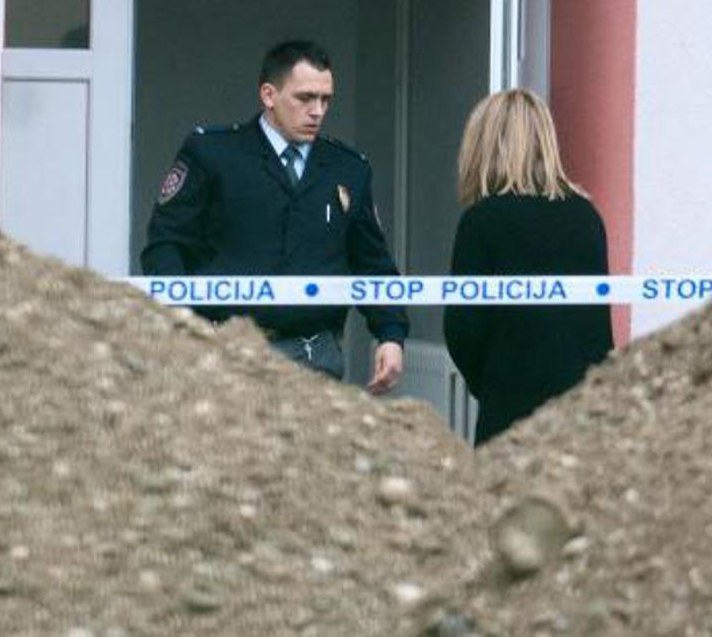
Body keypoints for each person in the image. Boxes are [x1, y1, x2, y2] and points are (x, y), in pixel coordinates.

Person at [141, 39, 407, 393]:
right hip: (227, 353)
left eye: (325, 100)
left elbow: (372, 263)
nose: (317, 111)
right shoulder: (214, 154)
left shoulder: (347, 168)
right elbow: (166, 246)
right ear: (269, 95)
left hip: (316, 355)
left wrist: (391, 334)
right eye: (305, 98)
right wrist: (182, 322)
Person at [442, 88, 612, 445]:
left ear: (482, 146)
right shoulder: (586, 217)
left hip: (510, 408)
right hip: (583, 412)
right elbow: (598, 324)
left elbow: (463, 328)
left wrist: (489, 382)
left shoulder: (483, 221)